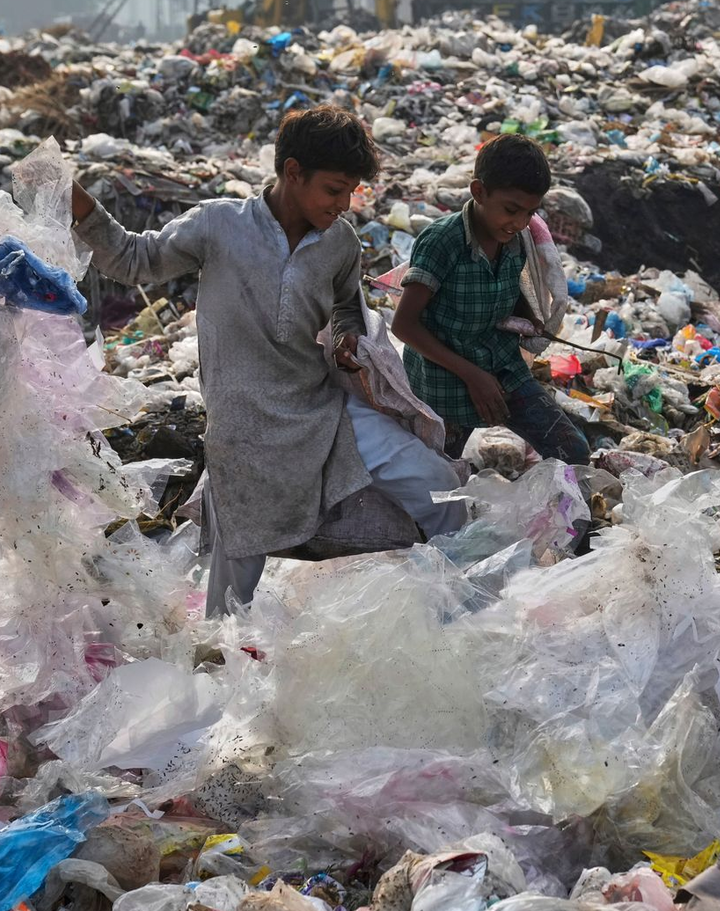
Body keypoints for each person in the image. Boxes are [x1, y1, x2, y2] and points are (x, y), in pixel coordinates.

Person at [69, 104, 465, 616]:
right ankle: (221, 658)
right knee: (233, 596)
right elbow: (134, 259)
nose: (343, 204)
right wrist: (71, 196)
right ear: (293, 171)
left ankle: (457, 610)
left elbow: (347, 305)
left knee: (439, 488)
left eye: (351, 192)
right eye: (334, 189)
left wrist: (346, 336)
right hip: (243, 428)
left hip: (322, 411)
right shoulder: (218, 224)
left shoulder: (340, 242)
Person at [392, 133, 590, 465]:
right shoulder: (443, 241)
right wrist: (473, 376)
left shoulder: (516, 239)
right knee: (438, 476)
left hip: (502, 366)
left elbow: (505, 288)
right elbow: (404, 325)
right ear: (479, 192)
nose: (520, 222)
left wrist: (528, 317)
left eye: (530, 213)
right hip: (445, 383)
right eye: (511, 209)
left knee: (573, 450)